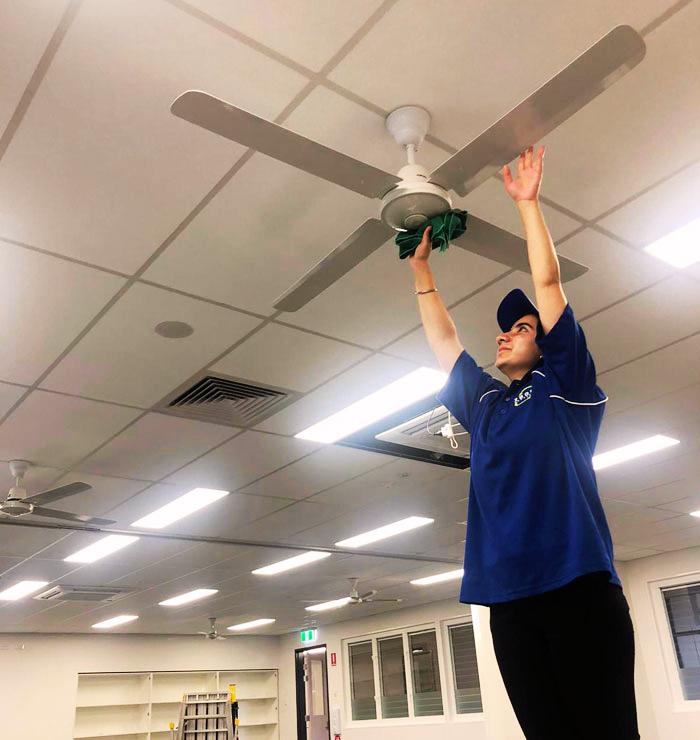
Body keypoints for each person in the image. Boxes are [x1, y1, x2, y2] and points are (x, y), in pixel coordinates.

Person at [408, 146, 640, 740]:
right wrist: (421, 272)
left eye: (521, 328)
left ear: (545, 343)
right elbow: (445, 343)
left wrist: (528, 205)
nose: (505, 335)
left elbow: (548, 282)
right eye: (503, 329)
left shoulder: (566, 384)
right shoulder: (484, 405)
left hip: (579, 588)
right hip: (509, 602)